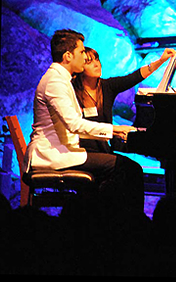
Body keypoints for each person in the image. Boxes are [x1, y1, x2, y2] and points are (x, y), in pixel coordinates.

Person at [23, 29, 144, 212]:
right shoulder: (55, 82)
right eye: (81, 52)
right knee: (127, 168)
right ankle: (126, 225)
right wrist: (115, 130)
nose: (84, 56)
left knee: (123, 168)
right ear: (68, 55)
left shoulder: (61, 80)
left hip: (65, 151)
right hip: (54, 155)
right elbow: (73, 124)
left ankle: (104, 221)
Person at [72, 46, 176, 153]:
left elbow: (134, 77)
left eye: (97, 59)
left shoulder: (107, 86)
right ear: (79, 67)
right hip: (81, 149)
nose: (97, 64)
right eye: (89, 62)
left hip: (104, 148)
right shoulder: (72, 90)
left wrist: (161, 61)